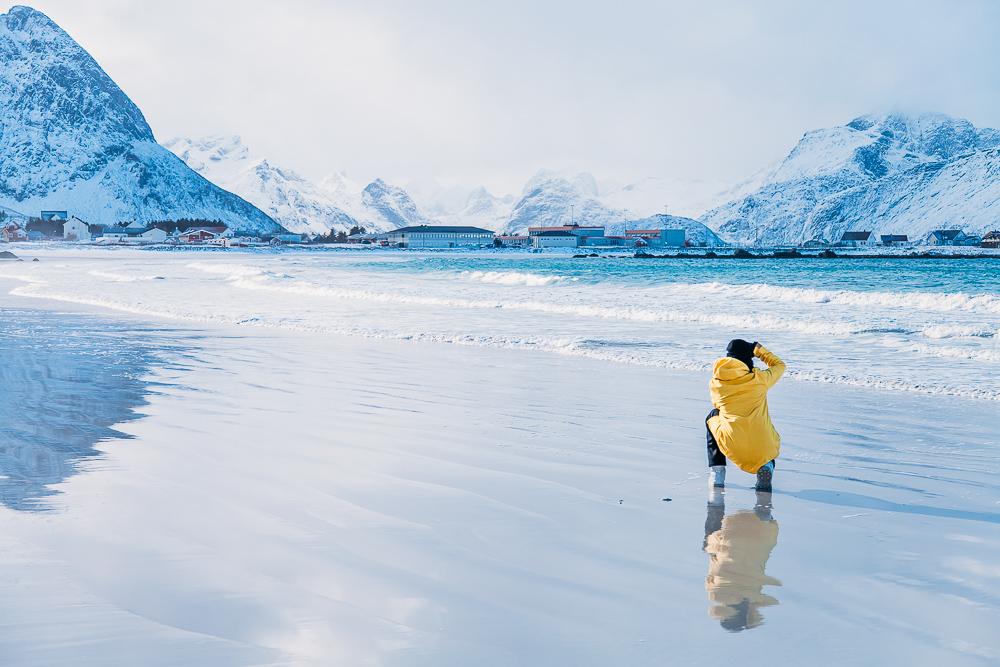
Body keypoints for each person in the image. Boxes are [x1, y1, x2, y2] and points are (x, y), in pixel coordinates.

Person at [706, 339, 786, 491]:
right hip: (764, 445)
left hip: (733, 445)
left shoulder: (716, 382)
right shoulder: (760, 379)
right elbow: (780, 365)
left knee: (712, 416)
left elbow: (718, 407)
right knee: (768, 446)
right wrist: (759, 350)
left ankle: (717, 474)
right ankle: (767, 466)